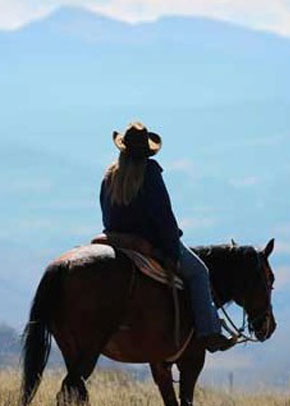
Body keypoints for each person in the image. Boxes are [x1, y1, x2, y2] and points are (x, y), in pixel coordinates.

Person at [99, 121, 233, 352]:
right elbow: (163, 217)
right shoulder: (149, 174)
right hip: (147, 244)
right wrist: (171, 249)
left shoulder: (110, 176)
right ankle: (209, 332)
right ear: (146, 153)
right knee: (200, 272)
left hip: (115, 240)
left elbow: (106, 215)